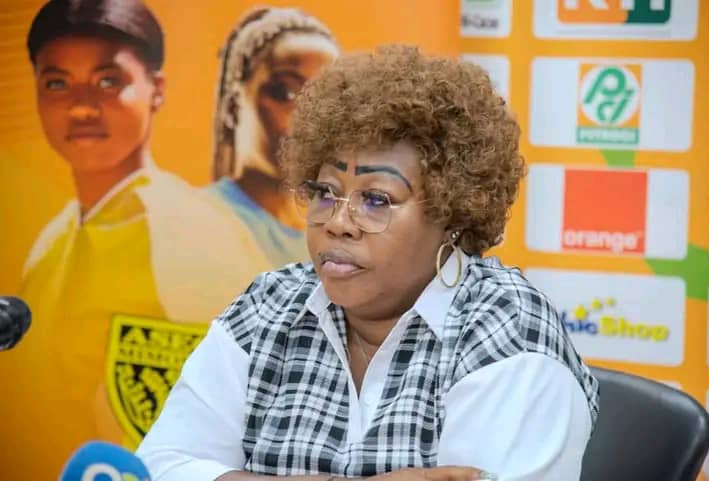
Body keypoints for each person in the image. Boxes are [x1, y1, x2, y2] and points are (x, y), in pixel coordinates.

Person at [137, 45, 600, 481]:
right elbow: (159, 466)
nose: (338, 223)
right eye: (325, 193)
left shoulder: (505, 329)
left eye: (376, 200)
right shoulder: (270, 306)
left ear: (452, 215)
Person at [0, 1, 270, 478]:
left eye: (109, 81)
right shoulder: (54, 237)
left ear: (156, 89)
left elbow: (237, 407)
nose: (82, 106)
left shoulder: (188, 232)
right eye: (57, 83)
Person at [209, 7, 339, 267]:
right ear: (234, 107)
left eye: (327, 99)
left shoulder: (338, 236)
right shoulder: (192, 218)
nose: (309, 118)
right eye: (285, 93)